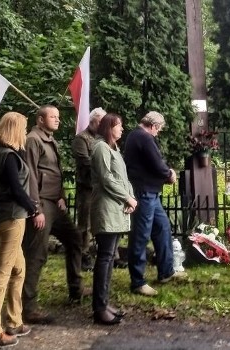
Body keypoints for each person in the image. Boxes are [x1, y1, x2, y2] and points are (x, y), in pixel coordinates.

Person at [22, 105, 87, 324]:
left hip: (54, 202)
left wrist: (60, 195)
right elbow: (29, 174)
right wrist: (35, 208)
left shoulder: (51, 140)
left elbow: (54, 172)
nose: (58, 120)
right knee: (36, 254)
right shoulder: (33, 140)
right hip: (41, 203)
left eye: (58, 117)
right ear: (40, 120)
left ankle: (76, 289)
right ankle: (27, 307)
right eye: (53, 117)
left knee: (75, 238)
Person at [0, 112, 35, 348]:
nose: (25, 133)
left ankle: (14, 321)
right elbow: (16, 188)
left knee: (18, 269)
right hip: (12, 218)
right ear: (16, 130)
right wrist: (32, 207)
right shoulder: (9, 157)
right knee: (1, 275)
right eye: (23, 129)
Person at [124, 111, 186, 296]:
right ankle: (138, 282)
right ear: (154, 126)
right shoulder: (144, 137)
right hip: (144, 193)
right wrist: (169, 174)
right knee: (141, 236)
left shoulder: (135, 136)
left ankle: (166, 271)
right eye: (158, 129)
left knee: (163, 228)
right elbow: (157, 164)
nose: (158, 132)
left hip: (150, 192)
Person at [90, 113, 136, 324]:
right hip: (107, 209)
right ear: (109, 127)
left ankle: (105, 302)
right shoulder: (100, 148)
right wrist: (126, 197)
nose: (122, 129)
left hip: (116, 208)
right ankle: (99, 308)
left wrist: (130, 197)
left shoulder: (113, 149)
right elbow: (106, 178)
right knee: (105, 257)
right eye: (119, 126)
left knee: (109, 257)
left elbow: (122, 178)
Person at [72, 107, 106, 271]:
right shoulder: (81, 139)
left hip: (100, 187)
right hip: (86, 187)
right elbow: (84, 161)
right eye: (101, 121)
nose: (102, 125)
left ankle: (106, 253)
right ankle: (83, 255)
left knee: (102, 221)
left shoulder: (102, 139)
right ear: (93, 121)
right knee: (84, 224)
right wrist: (102, 167)